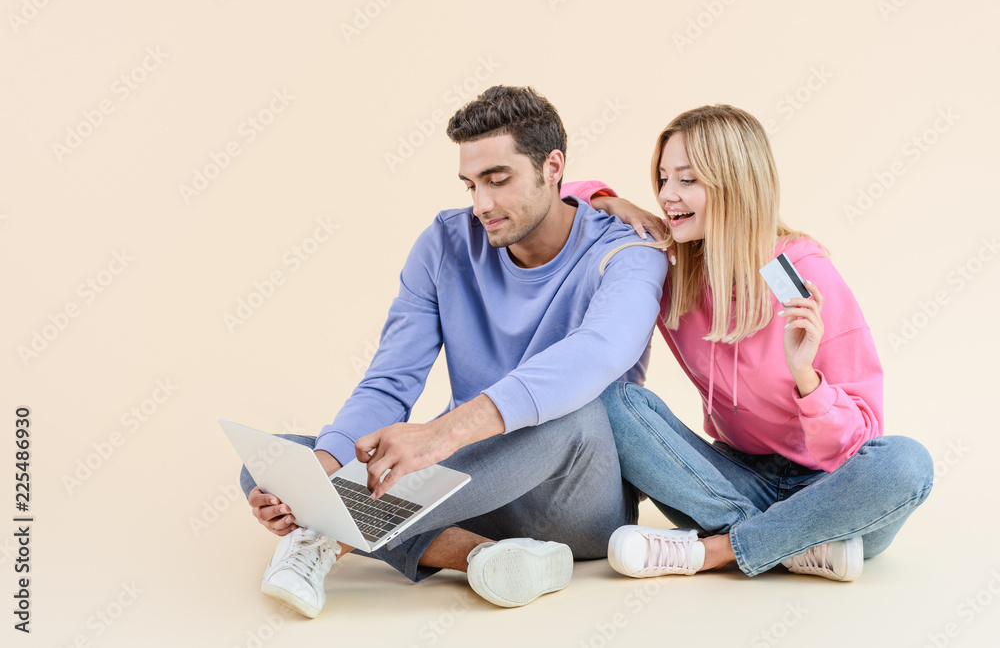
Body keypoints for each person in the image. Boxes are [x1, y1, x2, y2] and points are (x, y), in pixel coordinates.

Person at [237, 85, 668, 618]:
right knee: (276, 463)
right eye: (470, 184)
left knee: (578, 411)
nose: (481, 204)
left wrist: (438, 436)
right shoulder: (444, 243)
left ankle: (330, 533)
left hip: (573, 500)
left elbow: (599, 353)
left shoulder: (629, 247)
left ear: (552, 167)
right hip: (465, 484)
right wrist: (323, 469)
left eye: (498, 180)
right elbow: (389, 381)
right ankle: (484, 557)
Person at [562, 104, 933, 582]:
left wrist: (808, 380)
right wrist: (618, 204)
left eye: (687, 180)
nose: (667, 195)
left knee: (907, 463)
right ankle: (795, 545)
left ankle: (716, 551)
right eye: (661, 178)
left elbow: (859, 443)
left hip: (830, 490)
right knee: (610, 400)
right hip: (730, 482)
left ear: (735, 183)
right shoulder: (674, 269)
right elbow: (555, 201)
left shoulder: (798, 273)